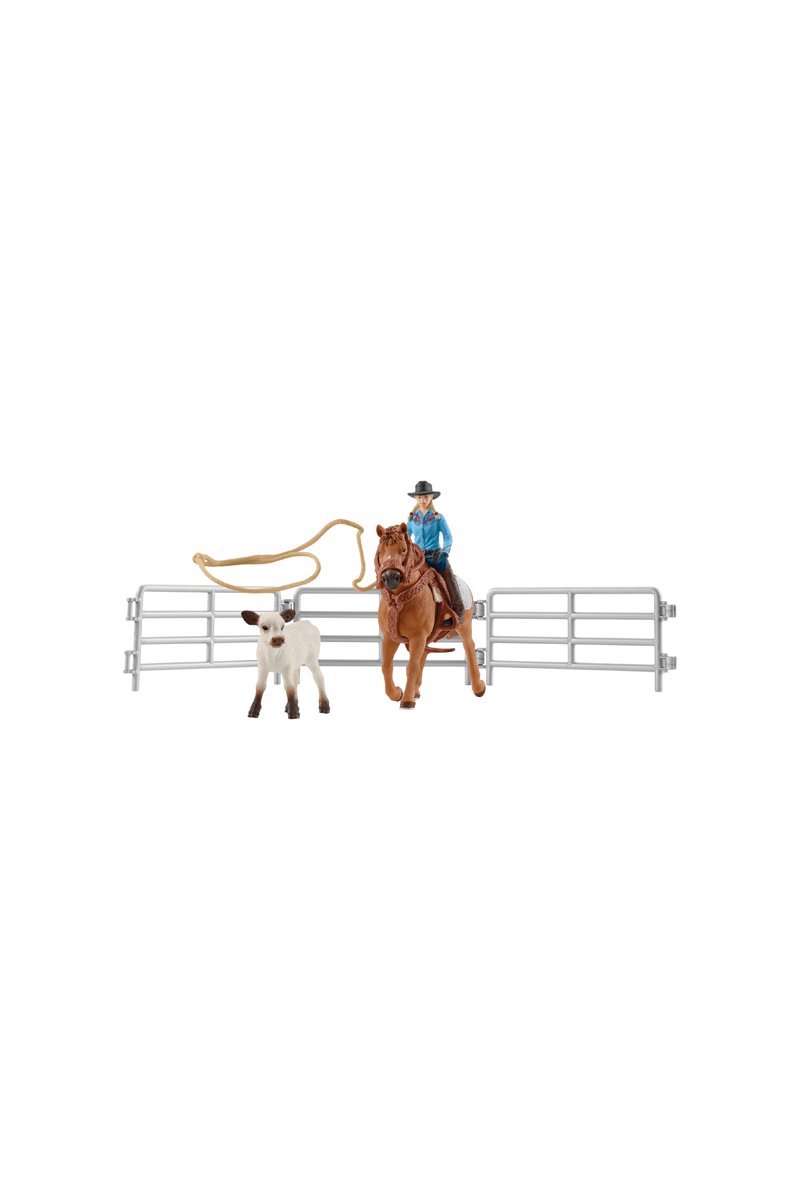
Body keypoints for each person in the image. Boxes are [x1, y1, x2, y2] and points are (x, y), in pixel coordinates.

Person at [406, 480, 464, 621]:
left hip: (435, 556)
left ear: (431, 497)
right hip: (418, 558)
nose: (423, 500)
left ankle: (458, 612)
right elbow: (406, 538)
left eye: (426, 497)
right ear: (416, 498)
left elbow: (448, 536)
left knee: (448, 578)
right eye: (420, 497)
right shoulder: (412, 519)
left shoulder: (438, 517)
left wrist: (445, 553)